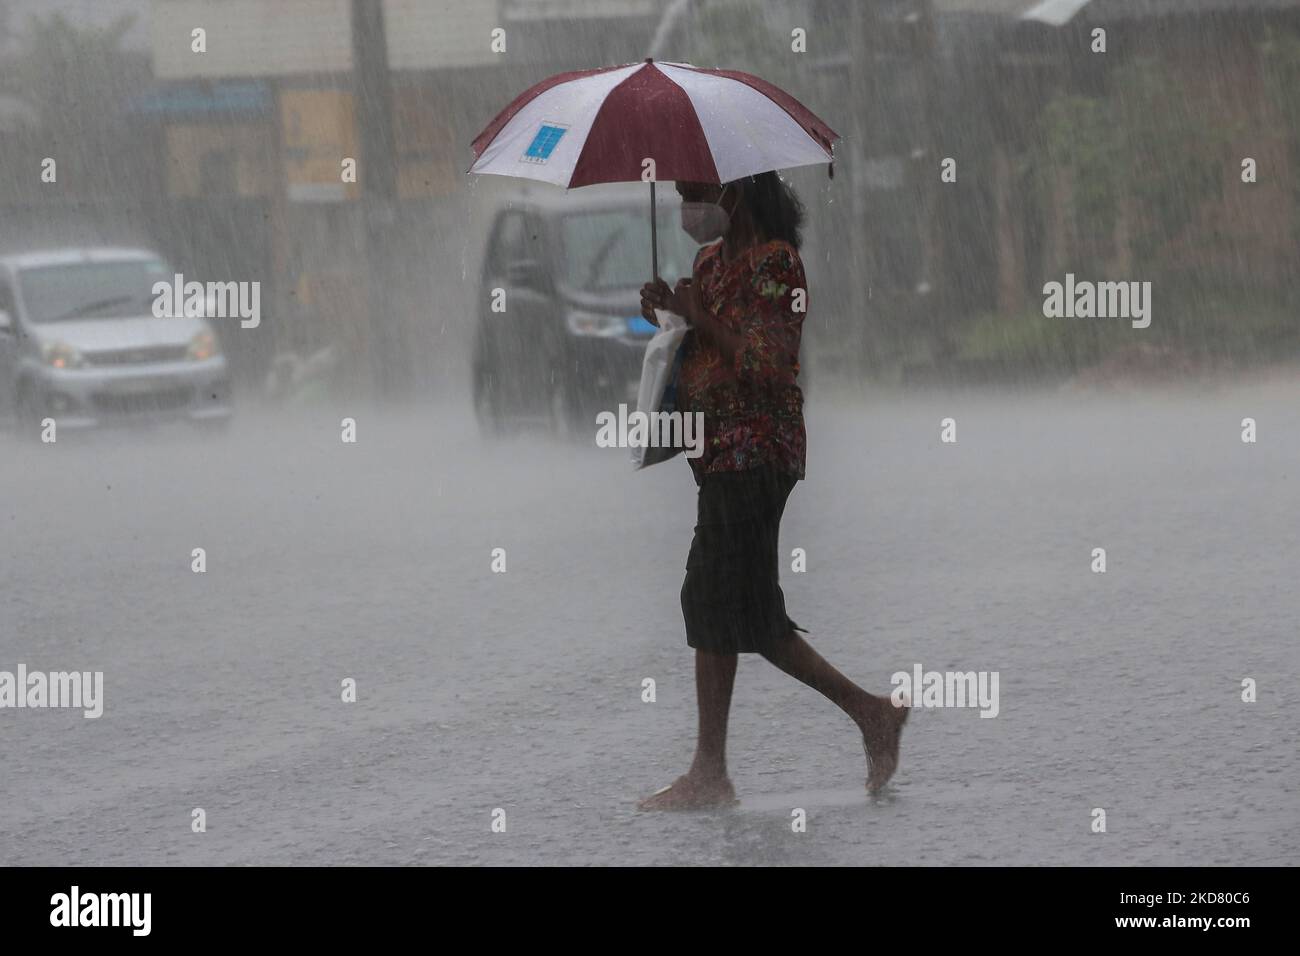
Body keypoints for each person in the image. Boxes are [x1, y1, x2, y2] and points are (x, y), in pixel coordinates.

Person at [636, 172, 909, 810]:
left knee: (721, 600)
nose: (688, 209)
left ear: (735, 193)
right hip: (715, 452)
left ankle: (717, 768)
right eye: (679, 197)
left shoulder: (778, 266)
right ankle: (865, 717)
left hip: (758, 452)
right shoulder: (709, 261)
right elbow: (697, 342)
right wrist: (668, 311)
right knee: (733, 606)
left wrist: (700, 315)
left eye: (696, 194)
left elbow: (768, 363)